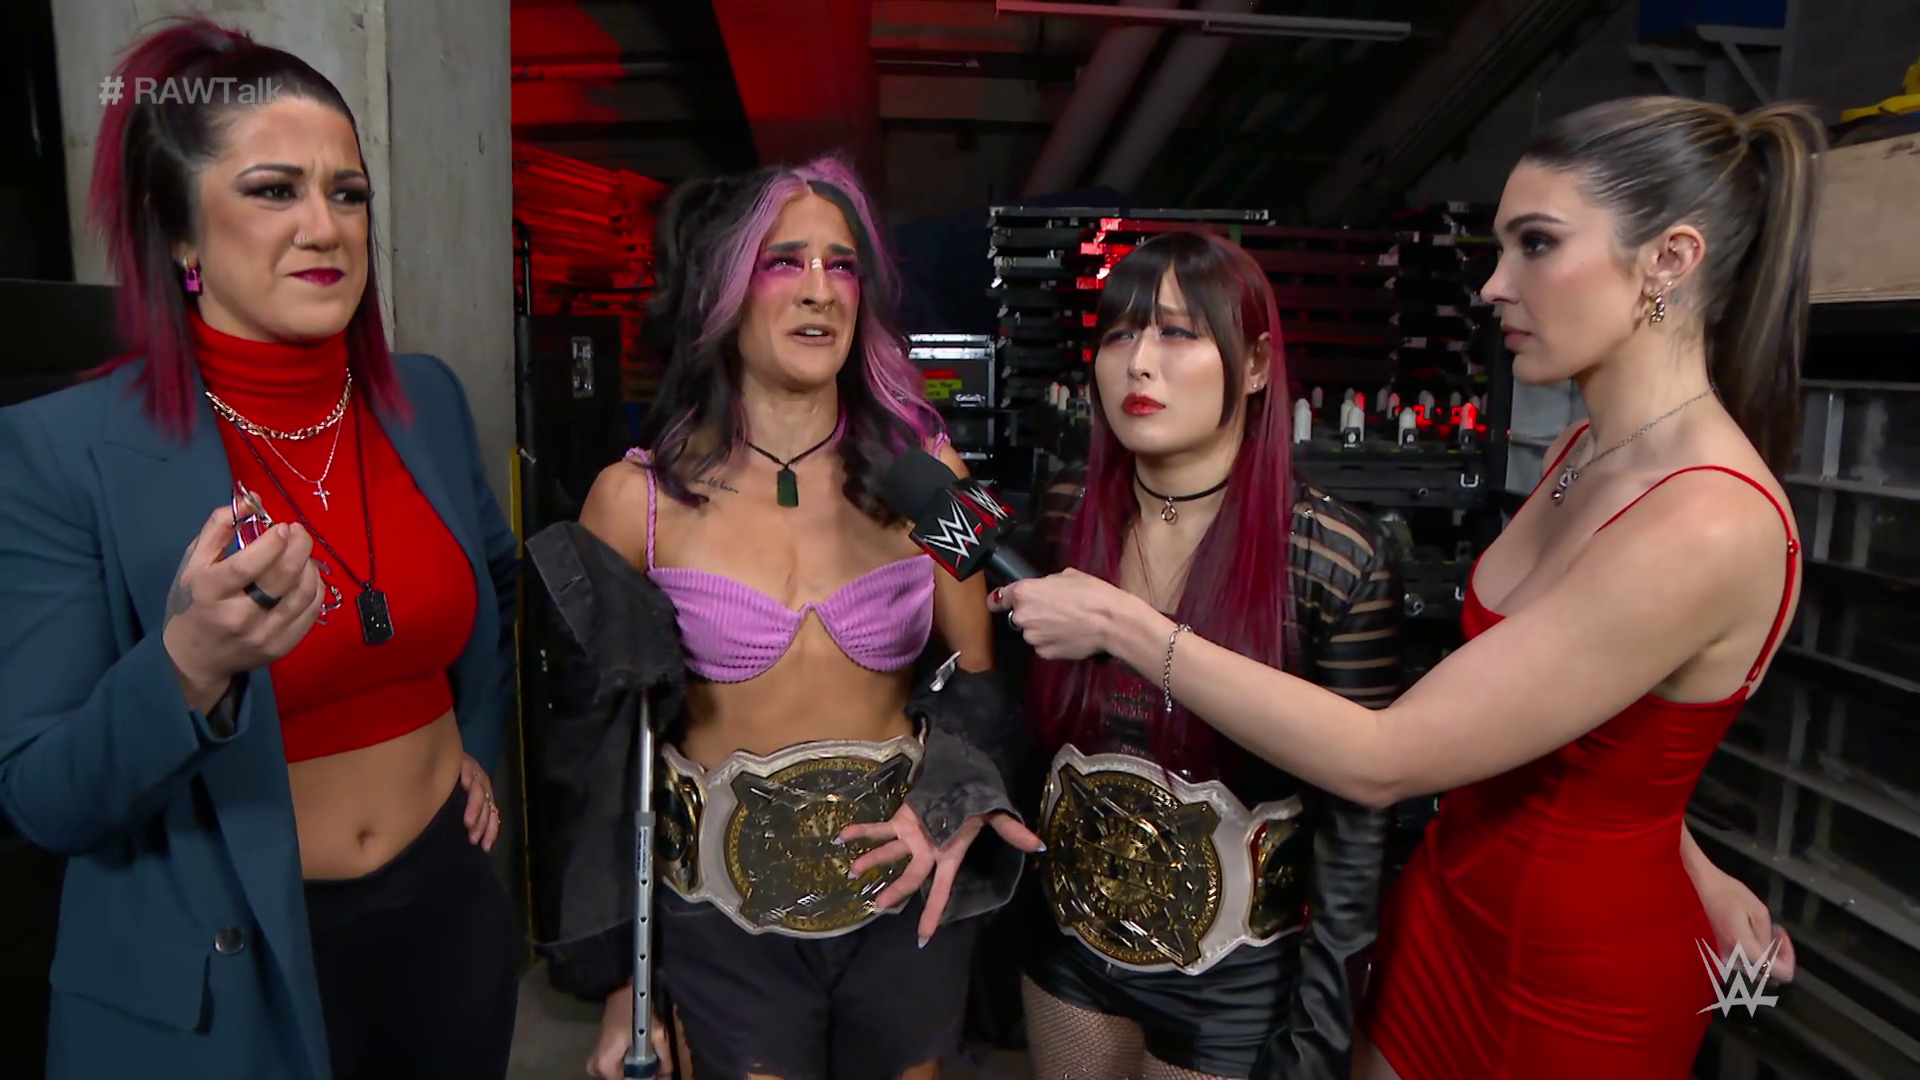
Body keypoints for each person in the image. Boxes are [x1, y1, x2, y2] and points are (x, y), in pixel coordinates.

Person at [993, 94, 1814, 1080]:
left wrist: (1123, 623)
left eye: (1536, 244)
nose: (1494, 285)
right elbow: (1584, 719)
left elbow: (1383, 759)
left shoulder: (1708, 521)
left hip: (1568, 976)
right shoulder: (1586, 449)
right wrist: (1679, 843)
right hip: (1444, 913)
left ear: (1669, 260)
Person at [0, 16, 520, 1080]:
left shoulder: (422, 400)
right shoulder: (59, 453)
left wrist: (472, 742)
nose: (325, 227)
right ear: (179, 234)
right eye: (275, 191)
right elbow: (45, 797)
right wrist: (189, 663)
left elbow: (495, 596)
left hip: (445, 928)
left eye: (348, 193)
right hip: (227, 973)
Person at [554, 156, 1041, 1080]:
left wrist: (949, 805)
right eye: (785, 261)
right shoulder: (636, 500)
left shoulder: (930, 471)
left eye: (842, 265)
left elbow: (990, 676)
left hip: (902, 903)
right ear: (725, 288)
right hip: (725, 924)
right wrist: (625, 977)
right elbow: (596, 759)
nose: (820, 289)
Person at [1014, 230, 1398, 1080]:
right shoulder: (1068, 511)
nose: (1139, 363)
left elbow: (1358, 830)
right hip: (1070, 943)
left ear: (1255, 364)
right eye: (1119, 334)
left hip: (1235, 978)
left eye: (1179, 333)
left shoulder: (1331, 557)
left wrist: (1319, 1038)